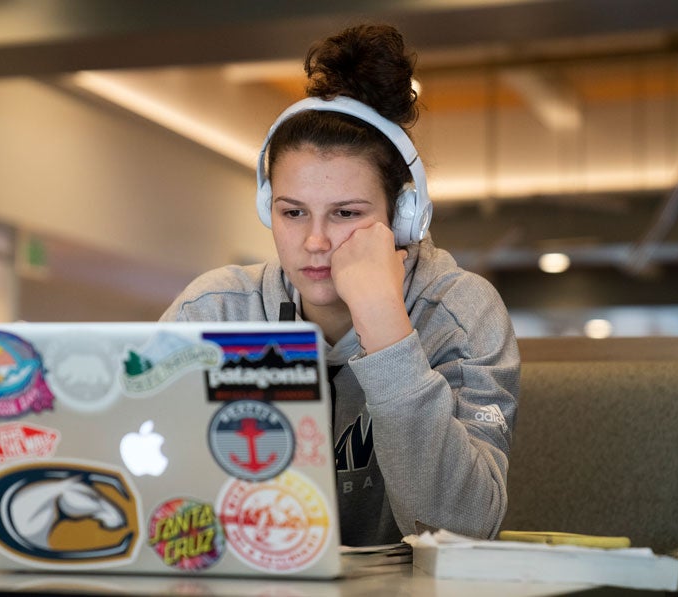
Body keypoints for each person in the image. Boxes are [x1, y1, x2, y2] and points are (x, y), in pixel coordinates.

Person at [160, 23, 520, 546]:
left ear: (404, 217)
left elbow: (462, 530)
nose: (314, 240)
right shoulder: (214, 312)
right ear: (268, 208)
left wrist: (384, 324)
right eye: (293, 212)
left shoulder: (460, 314)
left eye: (346, 213)